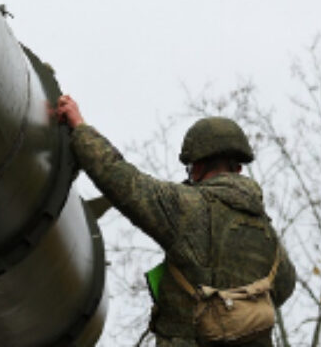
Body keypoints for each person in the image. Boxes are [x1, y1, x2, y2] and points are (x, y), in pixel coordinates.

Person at [54, 95, 296, 347]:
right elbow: (285, 285)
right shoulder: (265, 231)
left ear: (199, 165)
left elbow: (123, 181)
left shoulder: (190, 207)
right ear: (238, 168)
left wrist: (80, 129)